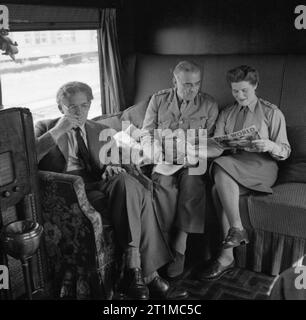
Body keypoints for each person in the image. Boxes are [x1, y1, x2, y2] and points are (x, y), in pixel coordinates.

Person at [35, 81, 188, 300]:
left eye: (84, 106)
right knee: (138, 199)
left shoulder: (99, 129)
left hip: (100, 183)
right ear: (61, 108)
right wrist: (59, 130)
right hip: (69, 190)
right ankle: (150, 276)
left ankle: (133, 269)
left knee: (127, 183)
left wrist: (113, 166)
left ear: (89, 105)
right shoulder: (44, 127)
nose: (79, 112)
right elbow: (29, 159)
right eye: (72, 107)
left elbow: (118, 161)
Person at [198, 65, 291, 281]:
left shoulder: (271, 112)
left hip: (263, 166)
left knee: (220, 168)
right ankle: (228, 252)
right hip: (233, 163)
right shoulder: (227, 113)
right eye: (235, 91)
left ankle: (232, 242)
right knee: (215, 189)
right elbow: (217, 146)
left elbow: (285, 151)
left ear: (255, 86)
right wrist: (197, 148)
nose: (239, 95)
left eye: (244, 91)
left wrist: (269, 145)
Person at [141, 61, 219, 278]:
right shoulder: (157, 100)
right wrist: (157, 153)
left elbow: (211, 142)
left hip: (192, 161)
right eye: (186, 84)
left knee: (193, 182)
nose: (192, 89)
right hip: (164, 160)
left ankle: (180, 245)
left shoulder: (209, 104)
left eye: (196, 84)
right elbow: (146, 133)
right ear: (173, 80)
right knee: (162, 186)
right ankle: (161, 246)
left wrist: (192, 155)